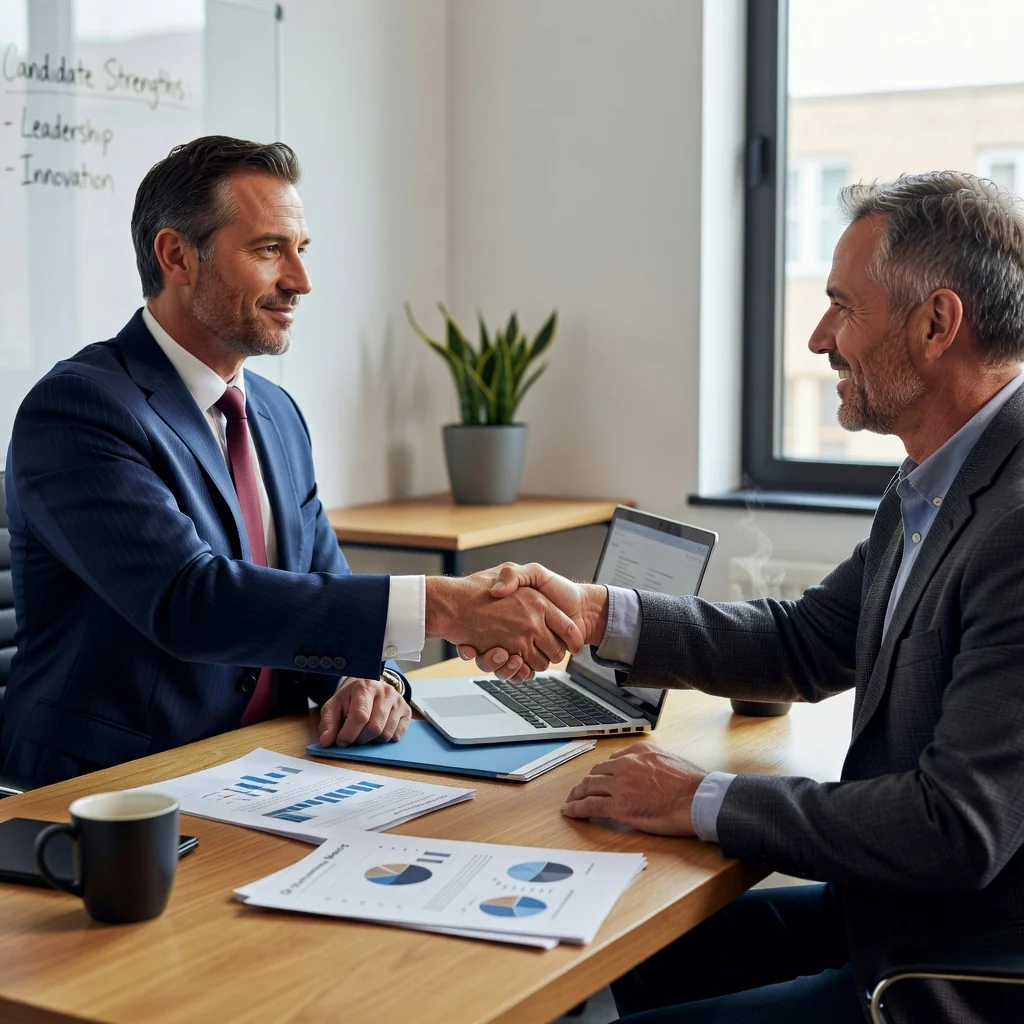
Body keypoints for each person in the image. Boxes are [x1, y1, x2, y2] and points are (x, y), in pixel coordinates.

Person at [467, 173, 1024, 1023]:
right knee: (604, 956)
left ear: (937, 324)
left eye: (843, 306)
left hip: (959, 972)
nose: (817, 337)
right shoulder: (933, 479)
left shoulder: (1015, 524)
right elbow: (804, 643)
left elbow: (953, 825)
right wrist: (592, 613)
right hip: (888, 915)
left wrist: (698, 797)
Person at [0, 135, 582, 788]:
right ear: (176, 256)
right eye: (268, 249)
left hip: (261, 772)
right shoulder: (78, 409)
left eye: (300, 251)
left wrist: (367, 677)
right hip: (105, 792)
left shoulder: (276, 415)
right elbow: (193, 604)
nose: (300, 282)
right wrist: (444, 604)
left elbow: (316, 590)